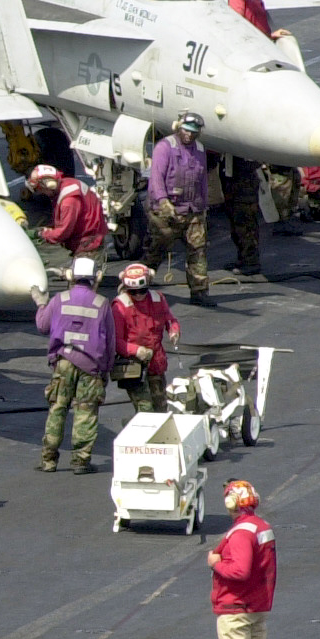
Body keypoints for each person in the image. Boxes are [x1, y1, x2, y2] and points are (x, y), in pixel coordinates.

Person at [205, 479, 276, 639]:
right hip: (257, 606)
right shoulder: (262, 527)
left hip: (235, 607)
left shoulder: (241, 533)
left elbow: (240, 570)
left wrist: (215, 563)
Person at [33, 256, 115, 473]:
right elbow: (110, 343)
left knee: (57, 409)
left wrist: (41, 302)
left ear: (71, 276)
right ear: (95, 277)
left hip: (63, 364)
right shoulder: (102, 303)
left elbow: (42, 325)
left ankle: (49, 460)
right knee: (86, 412)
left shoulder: (60, 299)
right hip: (91, 367)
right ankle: (80, 462)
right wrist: (105, 371)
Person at [144, 112, 214, 307]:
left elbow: (202, 181)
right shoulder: (165, 147)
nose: (189, 135)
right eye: (186, 130)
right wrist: (163, 201)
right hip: (167, 209)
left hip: (193, 209)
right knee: (156, 249)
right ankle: (138, 284)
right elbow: (157, 177)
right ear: (178, 127)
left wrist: (204, 206)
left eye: (194, 132)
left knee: (198, 251)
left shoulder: (200, 149)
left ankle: (199, 292)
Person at [110, 262, 180, 413]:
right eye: (133, 292)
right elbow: (115, 341)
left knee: (161, 407)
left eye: (142, 291)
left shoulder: (158, 299)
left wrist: (174, 330)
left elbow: (170, 320)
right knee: (146, 410)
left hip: (156, 362)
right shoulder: (119, 306)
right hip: (134, 365)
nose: (138, 295)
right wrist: (136, 350)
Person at [25, 163, 108, 271]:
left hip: (87, 245)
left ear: (47, 185)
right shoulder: (69, 183)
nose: (41, 193)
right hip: (91, 237)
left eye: (39, 189)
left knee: (81, 280)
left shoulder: (68, 201)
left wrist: (42, 234)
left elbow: (63, 232)